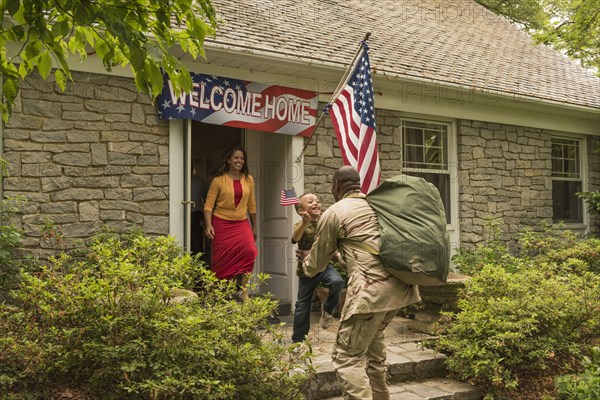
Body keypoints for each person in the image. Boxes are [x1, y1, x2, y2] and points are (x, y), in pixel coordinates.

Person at [298, 166, 421, 400]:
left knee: (347, 357)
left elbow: (315, 263)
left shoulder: (334, 212)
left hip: (370, 294)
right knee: (373, 345)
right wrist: (338, 257)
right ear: (358, 184)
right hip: (401, 288)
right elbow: (365, 249)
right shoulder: (377, 205)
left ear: (335, 186)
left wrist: (306, 263)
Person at [204, 146, 258, 302]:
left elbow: (251, 205)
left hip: (241, 222)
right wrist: (208, 225)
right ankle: (221, 292)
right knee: (222, 259)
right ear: (228, 160)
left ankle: (243, 291)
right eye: (236, 158)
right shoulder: (218, 180)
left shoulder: (249, 179)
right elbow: (208, 205)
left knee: (250, 251)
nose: (239, 161)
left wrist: (254, 226)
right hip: (221, 222)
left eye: (241, 158)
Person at [291, 193, 344, 343]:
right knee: (302, 305)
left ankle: (327, 310)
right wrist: (304, 222)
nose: (316, 203)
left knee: (337, 282)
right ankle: (298, 340)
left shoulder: (325, 223)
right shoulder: (300, 224)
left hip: (323, 266)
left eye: (317, 201)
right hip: (306, 270)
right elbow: (294, 238)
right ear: (301, 210)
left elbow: (331, 244)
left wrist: (337, 256)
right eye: (310, 201)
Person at [190, 159, 207, 256]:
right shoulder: (177, 180)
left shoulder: (199, 181)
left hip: (196, 216)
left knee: (196, 244)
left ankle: (197, 268)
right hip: (179, 214)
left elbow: (207, 200)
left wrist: (205, 219)